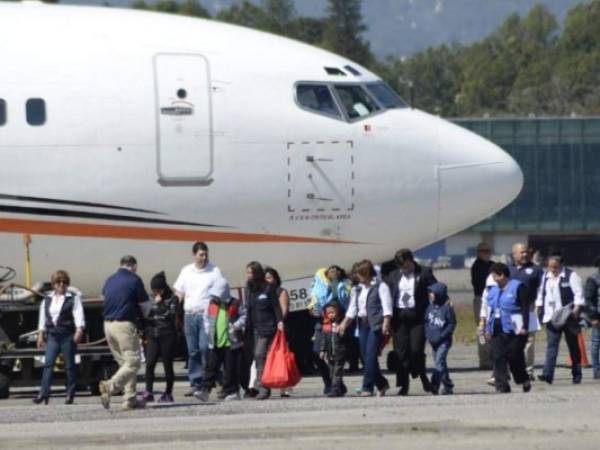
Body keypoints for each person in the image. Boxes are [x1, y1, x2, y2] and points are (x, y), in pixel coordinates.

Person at [100, 255, 150, 410]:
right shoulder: (134, 280)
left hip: (107, 326)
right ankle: (110, 386)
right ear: (133, 266)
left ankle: (130, 399)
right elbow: (146, 306)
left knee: (124, 364)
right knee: (133, 362)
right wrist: (144, 320)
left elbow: (104, 298)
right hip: (124, 326)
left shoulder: (109, 280)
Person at [173, 241, 223, 396]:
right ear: (194, 255)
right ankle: (196, 383)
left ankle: (215, 380)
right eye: (201, 254)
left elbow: (220, 289)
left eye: (206, 254)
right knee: (192, 350)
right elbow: (178, 289)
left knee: (205, 348)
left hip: (206, 315)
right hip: (189, 315)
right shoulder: (187, 270)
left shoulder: (214, 270)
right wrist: (177, 296)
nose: (204, 257)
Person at [385, 249, 437, 395]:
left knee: (416, 351)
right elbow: (388, 296)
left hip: (418, 318)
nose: (404, 268)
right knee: (400, 353)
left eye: (406, 264)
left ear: (411, 260)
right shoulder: (393, 275)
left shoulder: (424, 272)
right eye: (400, 265)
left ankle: (422, 376)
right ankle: (403, 384)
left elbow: (435, 288)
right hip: (399, 318)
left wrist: (436, 299)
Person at [340, 259, 391, 397]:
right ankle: (381, 383)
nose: (357, 276)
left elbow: (387, 306)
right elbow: (352, 308)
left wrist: (386, 322)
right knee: (365, 356)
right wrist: (345, 322)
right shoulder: (357, 289)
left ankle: (367, 387)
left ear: (367, 273)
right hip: (362, 324)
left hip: (376, 324)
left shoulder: (381, 286)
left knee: (370, 355)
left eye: (360, 273)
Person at [34, 270, 85, 405]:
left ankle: (70, 394)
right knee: (48, 365)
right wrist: (40, 334)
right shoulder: (47, 299)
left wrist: (79, 330)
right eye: (58, 282)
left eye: (64, 282)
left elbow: (78, 314)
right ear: (53, 284)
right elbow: (43, 317)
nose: (61, 284)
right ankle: (43, 394)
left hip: (67, 335)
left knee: (69, 366)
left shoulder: (73, 298)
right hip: (52, 336)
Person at [535, 252, 584, 384]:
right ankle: (547, 374)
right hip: (551, 317)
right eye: (550, 266)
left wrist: (576, 309)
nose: (553, 269)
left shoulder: (571, 275)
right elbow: (540, 294)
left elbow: (579, 294)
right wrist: (538, 307)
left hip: (568, 317)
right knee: (551, 346)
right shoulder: (545, 276)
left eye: (555, 266)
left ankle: (577, 373)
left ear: (561, 264)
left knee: (573, 346)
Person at [195, 276, 246, 402]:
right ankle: (205, 390)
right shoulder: (212, 304)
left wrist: (236, 326)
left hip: (231, 342)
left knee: (230, 368)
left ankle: (233, 391)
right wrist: (208, 330)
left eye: (218, 295)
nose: (215, 297)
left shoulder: (235, 303)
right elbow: (206, 319)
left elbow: (245, 316)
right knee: (210, 366)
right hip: (215, 341)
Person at [484, 263, 531, 394]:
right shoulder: (493, 290)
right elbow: (490, 311)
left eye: (494, 275)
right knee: (498, 356)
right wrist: (487, 329)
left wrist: (525, 327)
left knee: (514, 355)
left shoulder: (518, 287)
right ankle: (502, 386)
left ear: (502, 275)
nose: (493, 278)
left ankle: (523, 379)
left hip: (516, 329)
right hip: (497, 328)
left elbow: (525, 308)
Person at [308, 265, 351, 394]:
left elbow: (345, 302)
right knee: (317, 353)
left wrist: (335, 284)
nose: (332, 273)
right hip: (320, 322)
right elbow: (312, 302)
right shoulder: (318, 283)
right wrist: (311, 310)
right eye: (330, 271)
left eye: (335, 271)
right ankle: (331, 382)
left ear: (339, 272)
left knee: (335, 357)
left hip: (336, 323)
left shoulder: (343, 285)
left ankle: (335, 385)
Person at [245, 261, 284, 400]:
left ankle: (264, 388)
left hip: (267, 327)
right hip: (253, 328)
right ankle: (257, 386)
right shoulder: (248, 287)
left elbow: (276, 306)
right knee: (258, 357)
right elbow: (248, 307)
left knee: (260, 354)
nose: (247, 275)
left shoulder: (269, 288)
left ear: (256, 273)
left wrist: (280, 321)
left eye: (249, 272)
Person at [141, 271, 179, 403]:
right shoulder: (149, 298)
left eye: (158, 290)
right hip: (153, 334)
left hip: (167, 335)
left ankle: (168, 393)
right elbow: (146, 314)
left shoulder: (172, 298)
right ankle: (148, 391)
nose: (156, 293)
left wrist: (162, 304)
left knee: (168, 365)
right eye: (154, 290)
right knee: (150, 363)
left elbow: (171, 315)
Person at [509, 242, 543, 380]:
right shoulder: (508, 270)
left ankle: (528, 371)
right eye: (521, 252)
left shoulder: (536, 270)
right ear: (514, 254)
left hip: (528, 309)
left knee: (528, 342)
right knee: (510, 341)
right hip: (511, 310)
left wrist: (538, 305)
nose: (524, 254)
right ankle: (510, 371)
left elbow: (542, 288)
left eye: (526, 252)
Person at [264, 267, 293, 397]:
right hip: (265, 328)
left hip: (279, 329)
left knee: (283, 357)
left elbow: (283, 311)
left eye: (270, 277)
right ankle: (264, 386)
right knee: (264, 358)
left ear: (275, 279)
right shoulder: (261, 292)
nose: (267, 280)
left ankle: (285, 387)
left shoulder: (280, 291)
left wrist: (277, 323)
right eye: (265, 278)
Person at [424, 282, 456, 395]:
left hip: (444, 341)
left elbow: (452, 324)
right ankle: (448, 385)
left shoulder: (447, 309)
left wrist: (442, 336)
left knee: (439, 362)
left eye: (432, 293)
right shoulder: (430, 307)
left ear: (439, 294)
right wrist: (428, 334)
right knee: (441, 364)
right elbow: (426, 322)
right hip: (433, 341)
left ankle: (434, 384)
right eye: (430, 293)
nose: (430, 295)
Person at [470, 242, 494, 369]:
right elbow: (480, 283)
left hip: (494, 299)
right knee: (482, 330)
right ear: (478, 253)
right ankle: (484, 359)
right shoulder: (476, 266)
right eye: (483, 251)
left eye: (488, 250)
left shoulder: (493, 265)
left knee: (493, 328)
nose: (486, 253)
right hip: (481, 299)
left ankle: (492, 357)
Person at [320, 301, 346, 397]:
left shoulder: (342, 324)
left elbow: (346, 339)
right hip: (330, 353)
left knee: (337, 372)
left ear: (338, 312)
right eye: (328, 313)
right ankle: (341, 388)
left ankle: (335, 389)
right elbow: (324, 339)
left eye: (333, 312)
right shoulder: (326, 325)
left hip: (340, 352)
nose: (331, 315)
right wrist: (323, 350)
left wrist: (341, 332)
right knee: (331, 373)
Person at [584, 256, 600, 380]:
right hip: (598, 316)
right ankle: (597, 370)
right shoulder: (593, 279)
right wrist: (593, 317)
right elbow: (589, 300)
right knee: (596, 342)